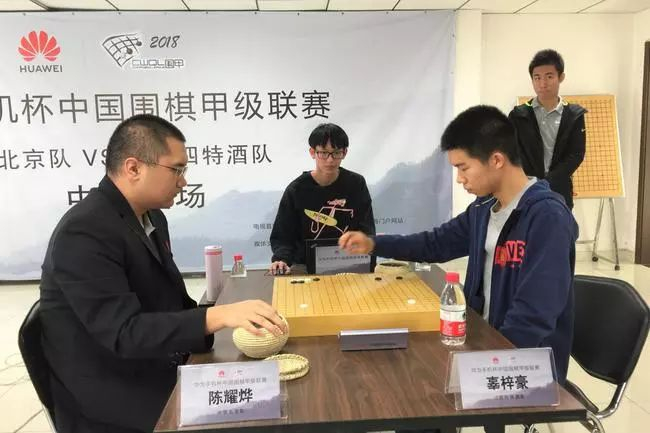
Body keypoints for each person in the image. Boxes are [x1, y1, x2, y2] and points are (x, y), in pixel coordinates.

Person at [39, 114, 286, 433]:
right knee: (259, 415)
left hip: (156, 364)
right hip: (115, 395)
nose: (184, 182)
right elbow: (124, 333)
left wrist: (229, 316)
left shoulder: (151, 216)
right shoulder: (84, 232)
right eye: (177, 170)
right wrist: (217, 316)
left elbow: (171, 301)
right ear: (133, 168)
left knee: (273, 393)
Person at [339, 105, 577, 384]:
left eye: (463, 168)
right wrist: (373, 243)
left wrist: (484, 369)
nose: (460, 178)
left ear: (496, 160)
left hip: (524, 367)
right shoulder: (483, 209)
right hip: (482, 343)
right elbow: (434, 244)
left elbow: (533, 315)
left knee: (416, 387)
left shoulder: (547, 217)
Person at [269, 123, 375, 275]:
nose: (330, 160)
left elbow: (366, 228)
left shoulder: (356, 184)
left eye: (336, 153)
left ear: (344, 152)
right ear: (312, 152)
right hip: (305, 267)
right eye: (324, 153)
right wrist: (281, 259)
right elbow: (283, 235)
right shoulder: (297, 189)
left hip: (349, 263)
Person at [509, 49, 587, 209]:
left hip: (559, 189)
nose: (542, 83)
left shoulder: (573, 115)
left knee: (559, 224)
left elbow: (576, 154)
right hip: (525, 189)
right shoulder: (519, 115)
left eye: (549, 76)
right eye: (537, 77)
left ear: (561, 77)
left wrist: (550, 180)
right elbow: (512, 152)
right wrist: (529, 180)